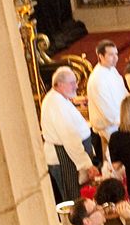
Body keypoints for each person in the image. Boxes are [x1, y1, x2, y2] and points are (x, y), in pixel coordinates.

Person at [39, 65, 94, 203]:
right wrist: (86, 164)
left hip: (70, 157)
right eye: (72, 83)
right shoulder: (55, 103)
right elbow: (69, 138)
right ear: (59, 84)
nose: (76, 86)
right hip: (63, 159)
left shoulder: (60, 99)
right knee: (74, 201)